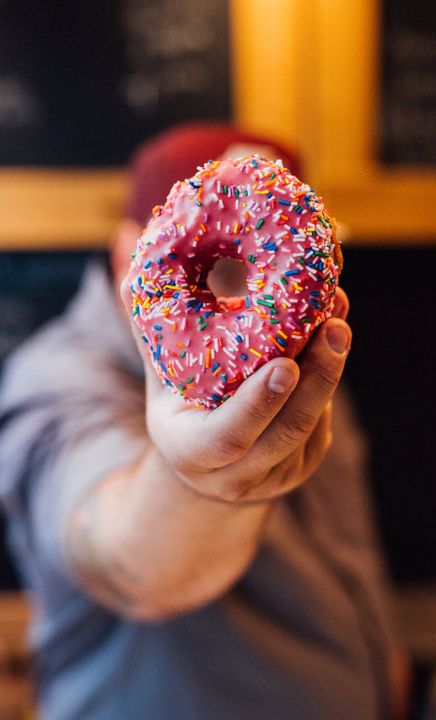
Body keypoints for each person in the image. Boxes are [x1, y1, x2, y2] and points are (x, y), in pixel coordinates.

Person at [0, 122, 398, 719]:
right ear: (123, 256)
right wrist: (195, 480)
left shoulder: (300, 349)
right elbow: (125, 563)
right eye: (225, 277)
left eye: (267, 266)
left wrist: (383, 663)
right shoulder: (59, 377)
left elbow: (348, 545)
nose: (243, 304)